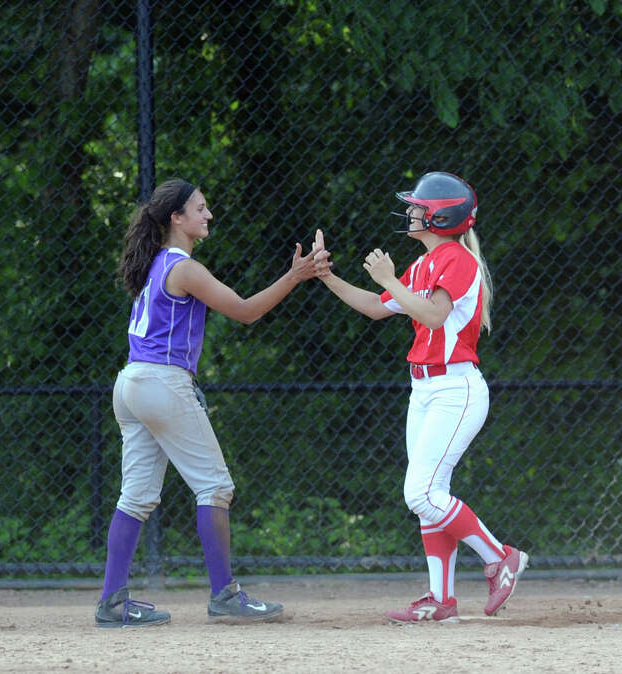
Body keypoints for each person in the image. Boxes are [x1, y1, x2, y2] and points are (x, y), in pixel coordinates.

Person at [95, 178, 326, 627]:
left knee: (136, 497)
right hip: (160, 381)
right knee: (215, 487)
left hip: (132, 382)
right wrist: (295, 275)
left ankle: (113, 601)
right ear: (176, 218)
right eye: (199, 208)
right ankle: (225, 595)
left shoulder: (155, 263)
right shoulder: (183, 267)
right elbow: (246, 311)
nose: (208, 215)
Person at [313, 171, 528, 623]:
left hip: (455, 388)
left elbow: (432, 316)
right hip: (425, 388)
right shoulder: (426, 262)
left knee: (422, 492)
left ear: (440, 216)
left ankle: (499, 557)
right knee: (431, 493)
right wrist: (327, 276)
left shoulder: (458, 259)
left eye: (418, 206)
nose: (411, 211)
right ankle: (441, 598)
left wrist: (390, 279)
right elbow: (377, 307)